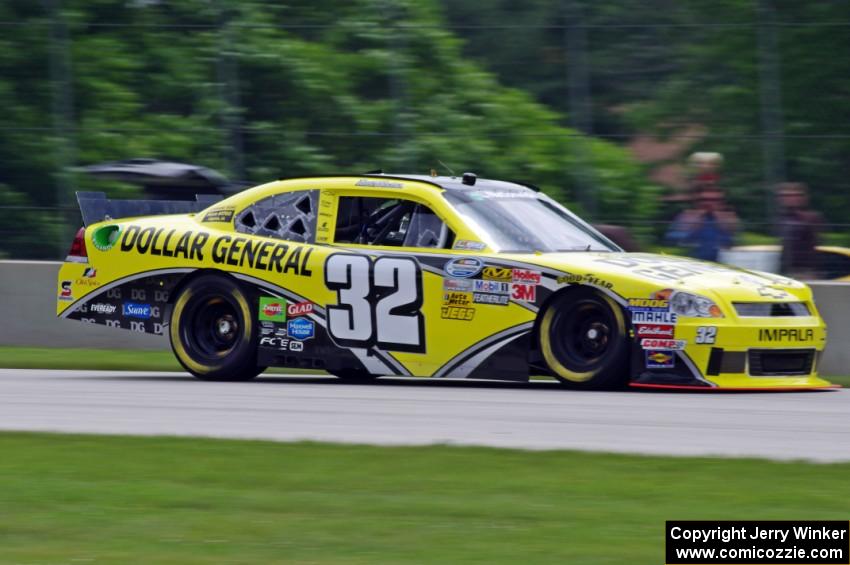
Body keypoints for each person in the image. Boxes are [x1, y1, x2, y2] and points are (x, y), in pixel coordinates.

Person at [666, 187, 739, 262]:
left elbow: (736, 243)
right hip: (693, 263)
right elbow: (671, 241)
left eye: (714, 200)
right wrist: (691, 227)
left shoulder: (727, 218)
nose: (708, 203)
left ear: (721, 203)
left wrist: (726, 226)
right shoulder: (686, 216)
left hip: (721, 264)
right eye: (704, 199)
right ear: (696, 202)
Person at [777, 182, 822, 279]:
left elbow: (816, 242)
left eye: (795, 195)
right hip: (786, 271)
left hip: (805, 271)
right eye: (785, 196)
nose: (789, 199)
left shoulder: (811, 218)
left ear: (803, 198)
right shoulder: (781, 218)